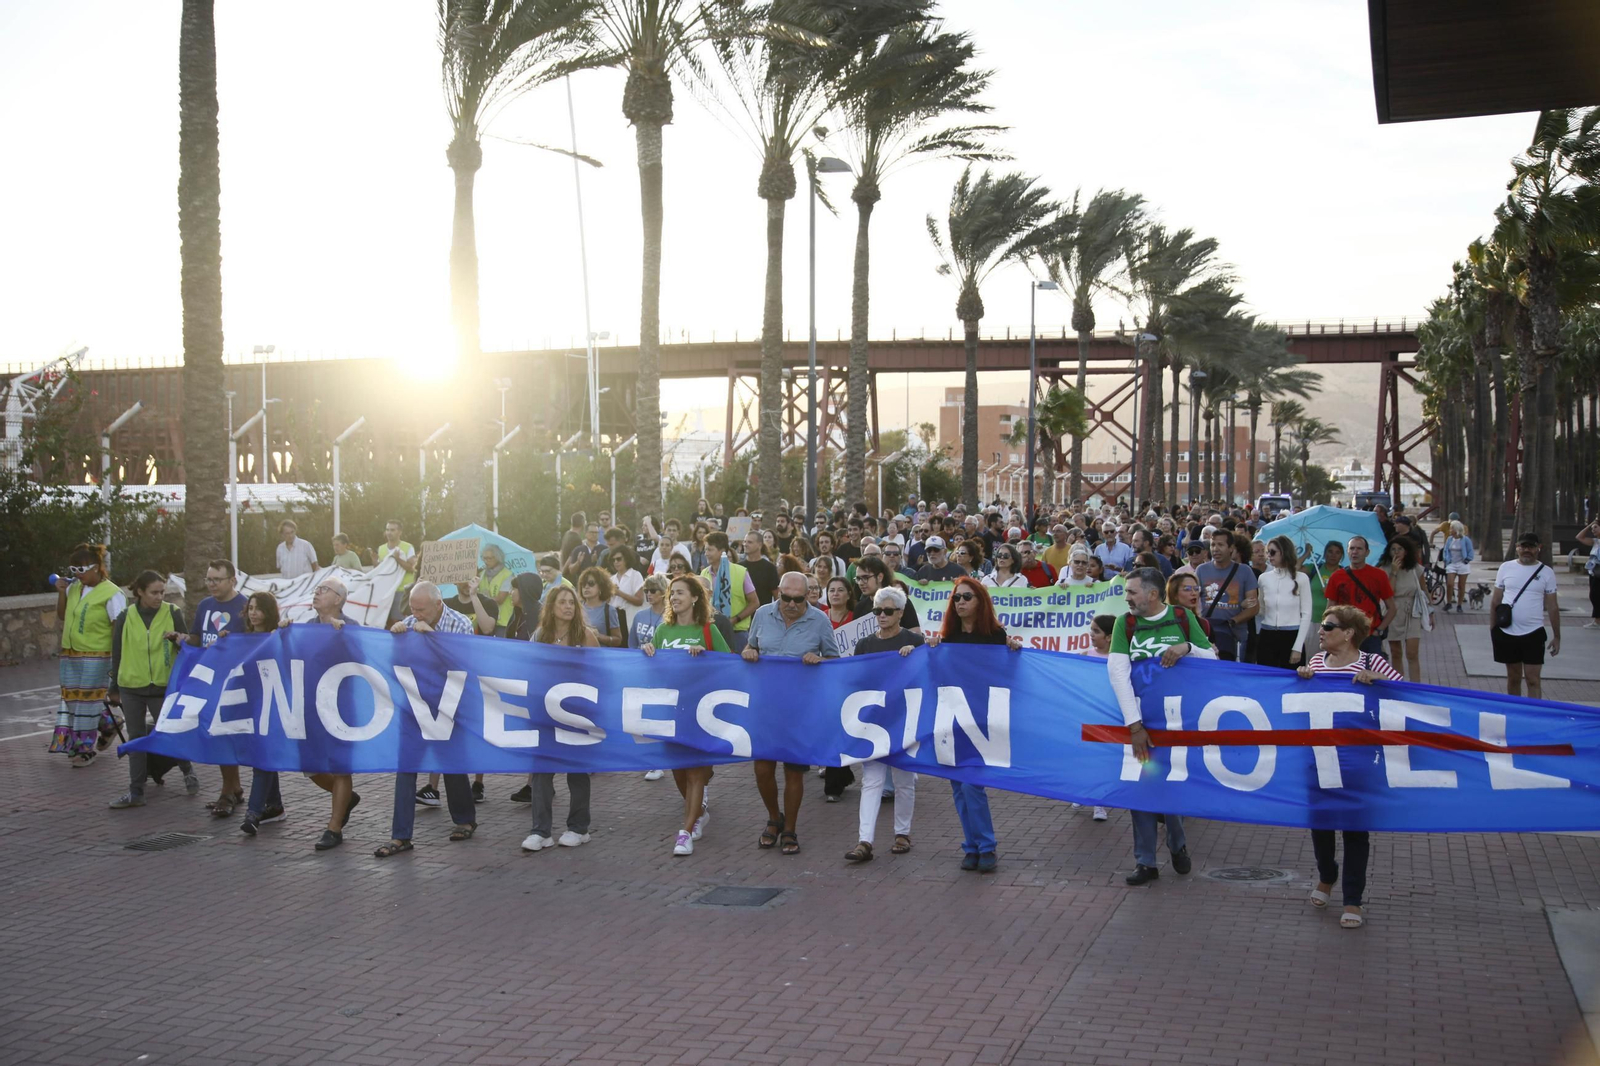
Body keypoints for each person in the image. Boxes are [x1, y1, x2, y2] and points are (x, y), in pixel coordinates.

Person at [1106, 566, 1217, 885]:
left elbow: (1211, 661)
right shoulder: (1124, 624)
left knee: (1172, 784)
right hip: (1140, 722)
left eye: (1132, 592)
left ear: (1152, 595)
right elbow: (1118, 674)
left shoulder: (1182, 617)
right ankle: (1145, 861)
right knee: (1140, 788)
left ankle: (1177, 843)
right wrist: (1134, 725)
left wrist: (1187, 648)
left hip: (1178, 722)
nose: (1126, 597)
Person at [1297, 604, 1404, 929]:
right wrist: (1302, 679)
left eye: (1328, 627)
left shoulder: (1372, 661)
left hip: (1359, 763)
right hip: (1319, 758)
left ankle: (1353, 898)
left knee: (1356, 831)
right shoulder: (1316, 662)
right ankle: (1327, 876)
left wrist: (1380, 681)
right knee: (1322, 824)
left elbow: (1407, 693)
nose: (1321, 631)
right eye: (1323, 627)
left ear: (1348, 633)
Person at [923, 578, 1023, 872]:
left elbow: (1007, 675)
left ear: (980, 601)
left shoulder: (995, 636)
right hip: (952, 718)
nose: (961, 602)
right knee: (958, 786)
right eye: (956, 598)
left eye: (967, 597)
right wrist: (931, 648)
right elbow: (935, 674)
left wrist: (1013, 650)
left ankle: (986, 846)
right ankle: (972, 845)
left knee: (971, 785)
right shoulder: (948, 637)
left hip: (981, 720)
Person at [375, 582, 479, 858]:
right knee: (405, 767)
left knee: (452, 764)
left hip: (448, 704)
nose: (416, 614)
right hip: (416, 705)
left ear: (437, 604)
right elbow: (394, 664)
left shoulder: (460, 624)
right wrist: (396, 639)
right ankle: (401, 836)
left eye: (421, 609)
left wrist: (433, 637)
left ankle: (465, 819)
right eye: (412, 608)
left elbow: (463, 664)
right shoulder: (409, 622)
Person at [742, 571, 840, 854]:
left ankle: (791, 829)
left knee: (794, 771)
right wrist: (749, 650)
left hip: (801, 708)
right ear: (778, 593)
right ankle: (774, 817)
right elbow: (753, 645)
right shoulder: (761, 614)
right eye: (787, 598)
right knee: (762, 769)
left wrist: (820, 659)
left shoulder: (820, 620)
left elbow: (835, 660)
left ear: (808, 595)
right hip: (766, 705)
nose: (793, 604)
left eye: (799, 599)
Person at [640, 575, 729, 854]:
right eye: (671, 593)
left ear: (694, 597)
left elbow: (730, 665)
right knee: (679, 771)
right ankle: (700, 811)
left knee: (695, 772)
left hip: (699, 711)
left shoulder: (707, 630)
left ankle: (685, 831)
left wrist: (706, 656)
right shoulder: (663, 630)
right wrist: (647, 652)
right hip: (671, 711)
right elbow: (652, 671)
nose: (674, 597)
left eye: (680, 592)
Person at [843, 586, 923, 863]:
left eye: (888, 611)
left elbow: (927, 674)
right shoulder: (865, 644)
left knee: (903, 780)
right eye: (878, 611)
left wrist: (916, 653)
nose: (882, 615)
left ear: (901, 613)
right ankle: (865, 840)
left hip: (904, 718)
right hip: (874, 721)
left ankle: (903, 833)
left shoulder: (915, 641)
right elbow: (856, 679)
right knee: (872, 780)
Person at [107, 570, 199, 808]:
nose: (159, 597)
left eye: (162, 592)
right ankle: (136, 792)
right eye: (154, 592)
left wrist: (178, 638)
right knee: (136, 740)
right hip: (131, 687)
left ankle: (188, 770)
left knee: (171, 734)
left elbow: (187, 643)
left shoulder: (172, 612)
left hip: (162, 687)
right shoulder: (126, 616)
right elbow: (116, 653)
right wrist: (113, 688)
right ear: (140, 592)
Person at [283, 577, 363, 850]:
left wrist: (344, 638)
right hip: (312, 704)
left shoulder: (352, 627)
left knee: (341, 765)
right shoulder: (307, 627)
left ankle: (334, 827)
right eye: (316, 589)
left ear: (339, 599)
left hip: (341, 706)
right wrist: (284, 635)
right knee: (309, 765)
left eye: (324, 590)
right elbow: (292, 657)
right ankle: (346, 798)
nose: (317, 593)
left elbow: (364, 662)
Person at [522, 586, 599, 852]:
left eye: (572, 603)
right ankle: (540, 831)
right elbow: (528, 670)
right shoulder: (539, 636)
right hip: (545, 713)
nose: (568, 606)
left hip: (577, 713)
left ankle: (579, 828)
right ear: (551, 606)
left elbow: (600, 672)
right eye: (562, 602)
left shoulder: (585, 636)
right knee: (541, 771)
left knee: (577, 772)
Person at [50, 544, 126, 765]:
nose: (78, 574)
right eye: (74, 569)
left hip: (98, 656)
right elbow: (63, 614)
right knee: (73, 700)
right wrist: (61, 593)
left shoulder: (112, 593)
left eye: (82, 569)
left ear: (97, 567)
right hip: (70, 654)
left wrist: (116, 661)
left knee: (88, 702)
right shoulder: (74, 588)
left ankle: (84, 749)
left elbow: (118, 629)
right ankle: (109, 724)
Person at [185, 558, 251, 811]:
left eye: (217, 579)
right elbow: (197, 637)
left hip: (235, 681)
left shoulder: (245, 606)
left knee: (227, 735)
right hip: (209, 679)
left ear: (232, 580)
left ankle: (229, 792)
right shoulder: (204, 605)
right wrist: (181, 640)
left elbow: (254, 640)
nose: (211, 584)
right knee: (216, 733)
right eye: (208, 579)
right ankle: (232, 788)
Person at [237, 592, 290, 835]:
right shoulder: (244, 639)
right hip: (253, 705)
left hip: (274, 704)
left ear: (269, 612)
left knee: (262, 756)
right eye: (250, 608)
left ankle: (254, 812)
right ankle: (275, 806)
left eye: (258, 608)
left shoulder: (278, 636)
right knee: (264, 756)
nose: (253, 612)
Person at [1490, 531, 1561, 700]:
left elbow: (1552, 606)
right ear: (1517, 548)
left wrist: (1557, 636)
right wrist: (1493, 628)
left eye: (1531, 546)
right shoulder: (1506, 568)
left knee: (1533, 679)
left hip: (1533, 633)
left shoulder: (1546, 572)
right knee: (1513, 678)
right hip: (1507, 632)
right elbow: (1496, 601)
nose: (1526, 550)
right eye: (1523, 546)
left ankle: (1534, 715)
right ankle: (1515, 714)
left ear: (1538, 549)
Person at [1193, 529, 1258, 661]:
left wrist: (1232, 621)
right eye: (1213, 545)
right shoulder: (1201, 570)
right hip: (1207, 634)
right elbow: (1193, 599)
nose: (1215, 549)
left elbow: (1254, 607)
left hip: (1235, 635)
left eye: (1220, 545)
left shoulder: (1244, 571)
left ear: (1231, 548)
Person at [1325, 536, 1395, 655]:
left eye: (1359, 549)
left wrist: (1379, 630)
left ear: (1367, 552)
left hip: (1370, 636)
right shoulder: (1336, 576)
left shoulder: (1379, 575)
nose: (1355, 552)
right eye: (1352, 548)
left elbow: (1392, 608)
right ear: (1347, 552)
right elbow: (1330, 608)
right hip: (1344, 634)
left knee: (1371, 671)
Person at [1256, 535, 1314, 671]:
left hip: (1292, 635)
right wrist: (1250, 606)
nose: (1269, 555)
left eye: (1273, 552)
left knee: (1292, 684)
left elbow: (1306, 614)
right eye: (1267, 552)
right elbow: (1261, 610)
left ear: (1284, 552)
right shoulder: (1263, 578)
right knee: (1266, 680)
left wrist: (1298, 647)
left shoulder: (1302, 578)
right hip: (1267, 635)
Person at [1381, 536, 1427, 682]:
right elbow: (1389, 592)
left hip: (1412, 610)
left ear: (1406, 551)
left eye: (1399, 549)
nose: (1396, 552)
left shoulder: (1416, 569)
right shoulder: (1383, 569)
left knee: (1412, 652)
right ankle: (1398, 685)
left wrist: (1430, 612)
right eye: (1393, 549)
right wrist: (1394, 572)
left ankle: (1416, 687)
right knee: (1396, 652)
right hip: (1393, 610)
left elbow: (1424, 591)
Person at [703, 531, 757, 651]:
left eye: (709, 550)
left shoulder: (741, 572)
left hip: (737, 633)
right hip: (711, 631)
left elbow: (754, 602)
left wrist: (735, 620)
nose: (706, 553)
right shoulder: (704, 573)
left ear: (722, 551)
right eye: (705, 550)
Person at [853, 556, 921, 631]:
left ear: (880, 577)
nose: (861, 583)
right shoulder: (859, 608)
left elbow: (916, 634)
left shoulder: (901, 602)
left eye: (865, 578)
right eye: (858, 579)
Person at [1439, 520, 1475, 613]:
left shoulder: (1465, 540)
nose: (1450, 530)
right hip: (1452, 564)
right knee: (1450, 584)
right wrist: (1446, 559)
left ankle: (1459, 605)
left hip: (1463, 564)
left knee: (1461, 586)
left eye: (1451, 528)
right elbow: (1446, 550)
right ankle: (1449, 603)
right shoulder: (1449, 539)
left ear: (1457, 530)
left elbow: (1470, 551)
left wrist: (1467, 559)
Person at [742, 530, 780, 606]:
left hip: (763, 614)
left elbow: (776, 596)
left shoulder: (769, 568)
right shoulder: (739, 567)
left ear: (759, 545)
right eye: (744, 541)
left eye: (749, 542)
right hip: (742, 615)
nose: (745, 544)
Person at [1581, 519, 1600, 629]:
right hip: (1593, 572)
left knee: (1596, 595)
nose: (1593, 530)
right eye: (1592, 529)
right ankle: (1597, 620)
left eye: (1595, 527)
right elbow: (1579, 537)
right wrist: (1589, 525)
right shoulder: (1595, 542)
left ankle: (1597, 620)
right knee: (1594, 595)